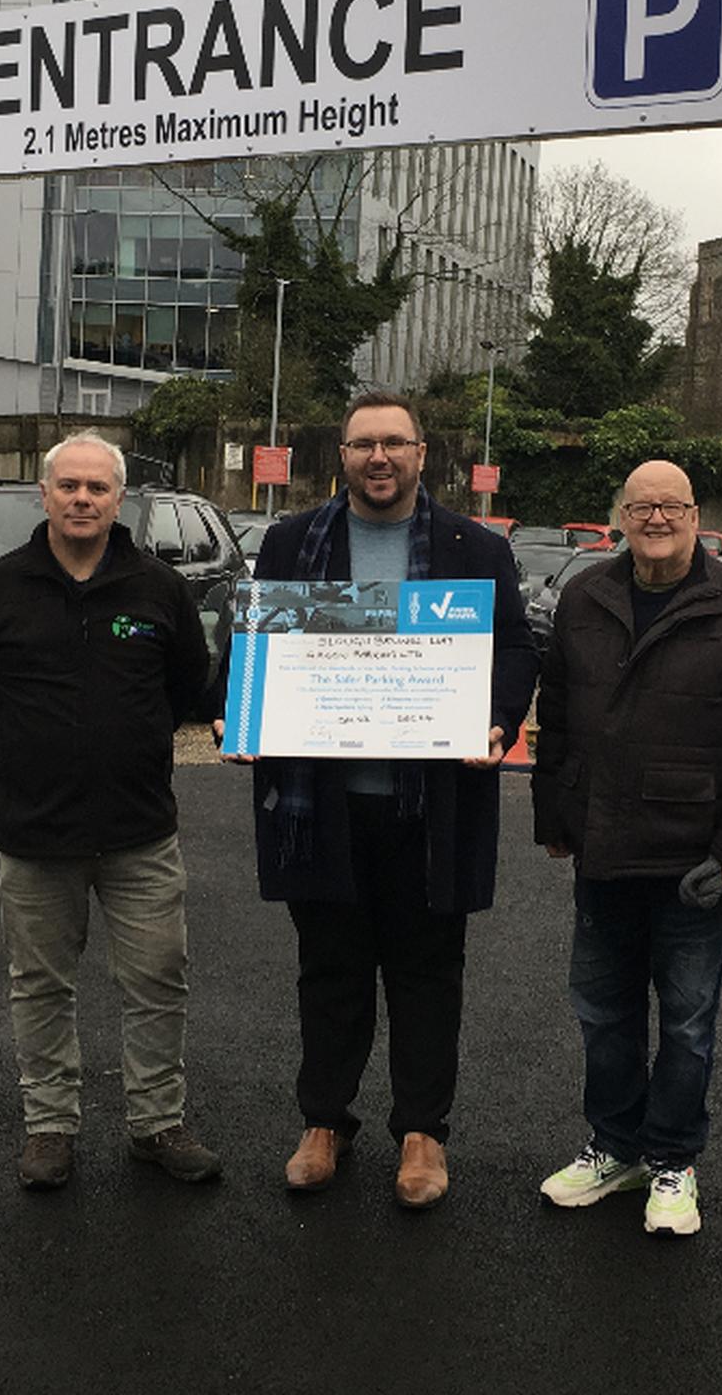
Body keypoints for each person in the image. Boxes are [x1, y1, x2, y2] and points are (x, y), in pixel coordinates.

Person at [239, 390, 538, 1209]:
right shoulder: (291, 542)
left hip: (431, 807)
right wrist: (250, 709)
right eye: (363, 443)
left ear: (421, 452)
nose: (379, 458)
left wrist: (497, 717)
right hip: (321, 807)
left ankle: (422, 1133)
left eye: (394, 444)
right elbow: (259, 645)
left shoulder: (474, 547)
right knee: (328, 969)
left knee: (428, 973)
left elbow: (514, 646)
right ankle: (323, 1122)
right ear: (341, 454)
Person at [0, 430, 221, 1192]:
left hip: (139, 831)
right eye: (69, 486)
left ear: (119, 499)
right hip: (35, 834)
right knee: (40, 985)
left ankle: (157, 1122)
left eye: (97, 488)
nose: (82, 499)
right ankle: (50, 1129)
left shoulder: (158, 588)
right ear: (45, 494)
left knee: (159, 981)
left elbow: (189, 687)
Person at [530, 459, 722, 1237]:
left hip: (695, 863)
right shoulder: (586, 596)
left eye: (671, 506)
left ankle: (673, 1160)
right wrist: (556, 817)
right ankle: (615, 1148)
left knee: (686, 1023)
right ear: (620, 515)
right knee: (602, 1013)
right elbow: (561, 715)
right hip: (603, 851)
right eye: (641, 506)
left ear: (695, 515)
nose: (656, 519)